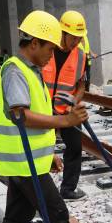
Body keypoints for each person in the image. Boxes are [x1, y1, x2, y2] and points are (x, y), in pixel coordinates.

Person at [0, 10, 103, 223]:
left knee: (16, 217)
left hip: (28, 160)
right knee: (57, 213)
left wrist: (49, 153)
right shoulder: (16, 70)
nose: (52, 54)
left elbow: (34, 124)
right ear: (34, 43)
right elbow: (21, 115)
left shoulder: (31, 71)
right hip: (24, 163)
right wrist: (65, 121)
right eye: (49, 48)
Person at [41, 10, 88, 200]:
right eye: (73, 37)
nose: (76, 42)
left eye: (79, 38)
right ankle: (41, 191)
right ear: (63, 32)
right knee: (42, 149)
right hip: (43, 110)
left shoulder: (81, 56)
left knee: (75, 147)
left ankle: (68, 189)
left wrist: (74, 102)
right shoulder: (47, 49)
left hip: (66, 110)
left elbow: (82, 86)